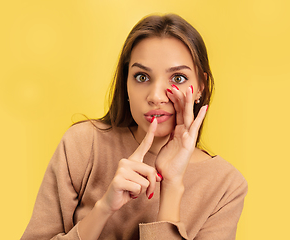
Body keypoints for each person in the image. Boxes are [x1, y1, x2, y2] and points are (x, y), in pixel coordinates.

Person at [21, 14, 247, 240]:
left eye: (178, 78)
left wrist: (172, 187)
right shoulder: (83, 145)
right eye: (142, 77)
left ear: (200, 87)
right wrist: (103, 208)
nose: (156, 96)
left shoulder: (226, 185)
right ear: (126, 84)